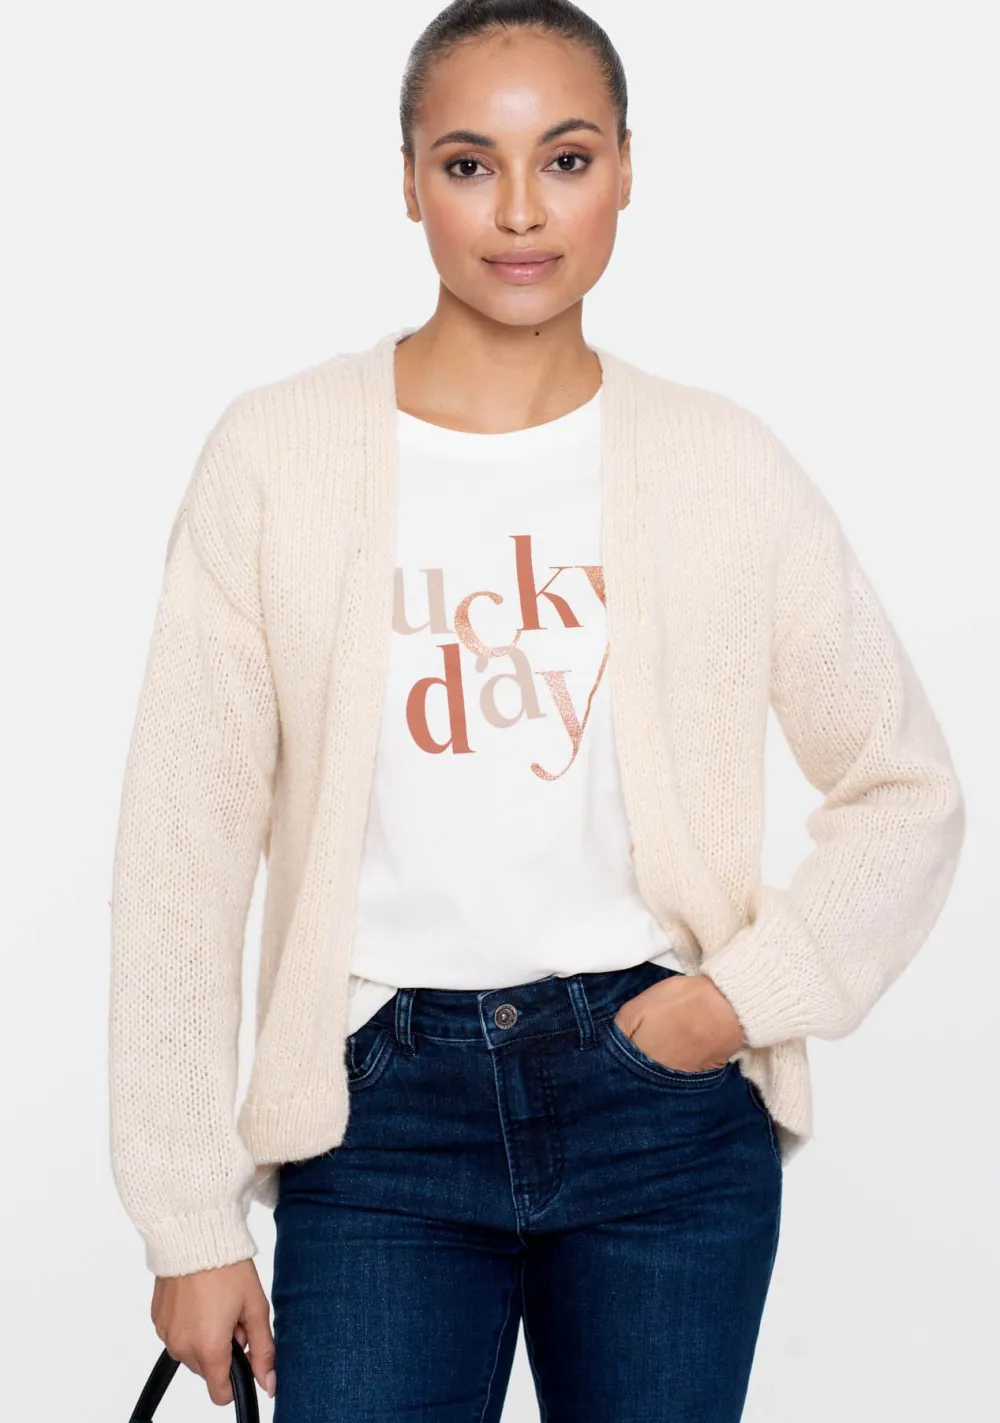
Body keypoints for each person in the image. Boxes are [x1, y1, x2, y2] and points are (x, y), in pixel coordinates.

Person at [107, 2, 966, 1419]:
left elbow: (903, 783)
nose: (520, 210)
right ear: (408, 181)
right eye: (468, 164)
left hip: (658, 1112)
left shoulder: (718, 464)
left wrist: (733, 1004)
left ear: (626, 169)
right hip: (377, 1118)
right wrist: (185, 1216)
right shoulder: (278, 456)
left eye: (566, 160)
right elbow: (181, 849)